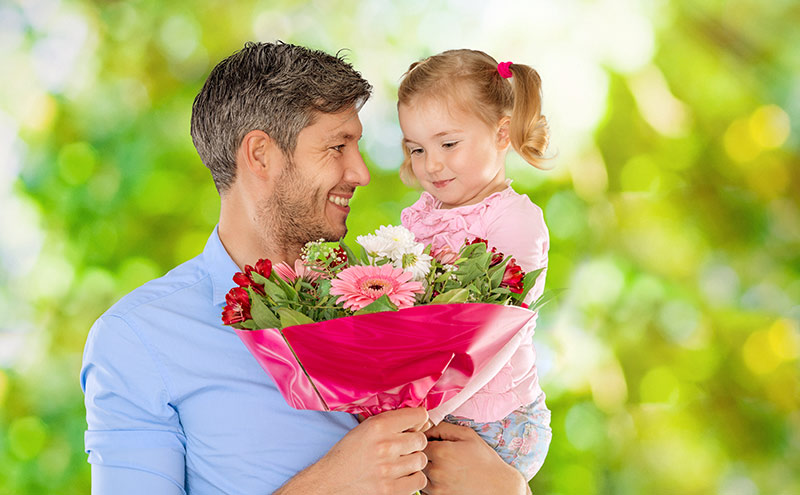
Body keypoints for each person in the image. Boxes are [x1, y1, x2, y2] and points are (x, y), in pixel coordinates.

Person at [81, 41, 533, 495]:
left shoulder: (395, 295)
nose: (361, 172)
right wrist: (332, 483)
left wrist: (509, 489)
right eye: (337, 147)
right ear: (260, 155)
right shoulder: (138, 340)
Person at [396, 49, 553, 480]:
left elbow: (495, 335)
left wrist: (427, 408)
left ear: (502, 134)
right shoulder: (422, 215)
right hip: (436, 410)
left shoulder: (514, 221)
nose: (432, 164)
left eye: (448, 143)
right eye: (416, 149)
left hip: (498, 422)